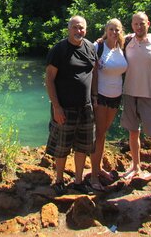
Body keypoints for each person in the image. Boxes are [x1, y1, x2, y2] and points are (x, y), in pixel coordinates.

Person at [45, 15, 97, 195]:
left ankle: (79, 180)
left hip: (86, 107)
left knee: (83, 146)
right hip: (64, 107)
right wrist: (56, 107)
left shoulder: (90, 47)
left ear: (86, 29)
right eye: (75, 27)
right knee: (62, 146)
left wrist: (95, 97)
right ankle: (59, 180)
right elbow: (49, 79)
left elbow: (94, 72)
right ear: (69, 29)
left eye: (81, 28)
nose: (78, 31)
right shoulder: (59, 50)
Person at [120, 11, 151, 192]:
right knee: (133, 133)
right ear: (132, 25)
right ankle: (136, 166)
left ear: (148, 23)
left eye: (142, 23)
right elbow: (107, 42)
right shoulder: (126, 41)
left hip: (150, 95)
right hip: (129, 94)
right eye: (135, 24)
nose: (139, 27)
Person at [89, 18, 128, 191]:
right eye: (111, 29)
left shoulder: (124, 46)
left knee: (103, 133)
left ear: (121, 31)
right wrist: (94, 95)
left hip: (116, 96)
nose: (114, 32)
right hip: (101, 96)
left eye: (117, 29)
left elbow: (143, 36)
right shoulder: (98, 46)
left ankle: (98, 169)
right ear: (106, 30)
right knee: (100, 134)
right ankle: (94, 176)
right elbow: (90, 68)